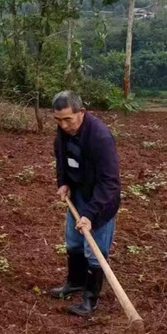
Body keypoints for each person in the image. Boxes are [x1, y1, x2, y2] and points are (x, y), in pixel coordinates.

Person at [50, 90, 121, 317]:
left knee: (95, 251)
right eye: (58, 120)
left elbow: (109, 183)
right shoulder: (65, 131)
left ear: (81, 113)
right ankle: (75, 283)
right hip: (78, 193)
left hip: (100, 201)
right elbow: (61, 157)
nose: (63, 125)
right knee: (73, 243)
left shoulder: (100, 137)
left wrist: (90, 214)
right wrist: (63, 182)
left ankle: (90, 299)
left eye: (68, 119)